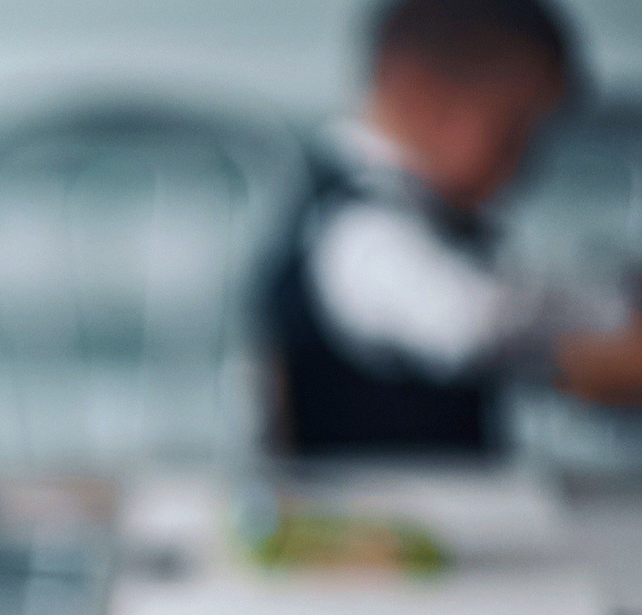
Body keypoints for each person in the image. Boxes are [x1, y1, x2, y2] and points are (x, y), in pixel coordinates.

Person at [262, 0, 642, 456]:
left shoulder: (406, 212)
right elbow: (469, 321)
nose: (527, 164)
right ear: (422, 98)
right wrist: (609, 313)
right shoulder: (359, 228)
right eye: (512, 134)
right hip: (383, 510)